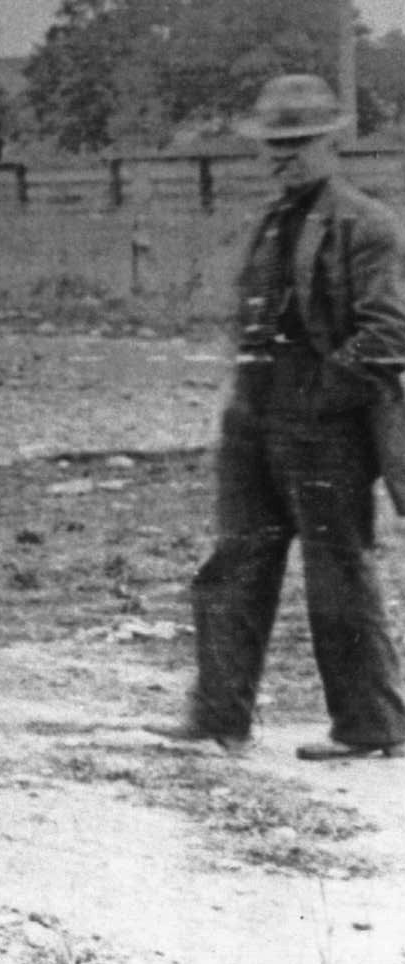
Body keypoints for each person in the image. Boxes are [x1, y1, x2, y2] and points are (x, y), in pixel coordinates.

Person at [161, 73, 405, 759]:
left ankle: (372, 727)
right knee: (233, 566)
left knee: (337, 575)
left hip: (325, 429)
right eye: (274, 144)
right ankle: (218, 719)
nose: (284, 156)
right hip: (253, 422)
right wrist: (251, 405)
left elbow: (389, 335)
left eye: (299, 143)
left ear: (335, 141)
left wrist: (319, 397)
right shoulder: (270, 223)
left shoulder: (368, 224)